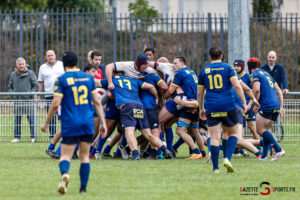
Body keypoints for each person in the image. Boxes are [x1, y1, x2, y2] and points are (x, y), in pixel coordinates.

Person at [41, 51, 107, 195]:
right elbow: (97, 102)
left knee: (65, 156)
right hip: (87, 122)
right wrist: (103, 123)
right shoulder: (89, 78)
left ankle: (65, 174)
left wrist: (46, 123)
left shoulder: (62, 79)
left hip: (70, 122)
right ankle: (83, 189)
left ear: (63, 64)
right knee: (84, 157)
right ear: (77, 62)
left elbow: (55, 104)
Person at [198, 47, 247, 173]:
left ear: (210, 57)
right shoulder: (228, 68)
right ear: (222, 56)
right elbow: (236, 85)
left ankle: (215, 168)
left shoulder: (204, 70)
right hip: (228, 105)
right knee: (233, 134)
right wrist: (244, 102)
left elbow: (200, 93)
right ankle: (227, 159)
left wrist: (201, 108)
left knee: (214, 137)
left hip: (212, 106)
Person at [248, 57, 285, 161]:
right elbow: (278, 90)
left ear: (249, 67)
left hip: (266, 106)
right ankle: (264, 157)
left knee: (259, 130)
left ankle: (278, 150)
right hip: (275, 106)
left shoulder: (254, 74)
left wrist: (255, 103)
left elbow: (256, 90)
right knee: (265, 131)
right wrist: (281, 106)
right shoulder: (267, 74)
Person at [8, 57, 38, 143]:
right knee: (17, 119)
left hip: (28, 101)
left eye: (22, 64)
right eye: (19, 64)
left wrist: (30, 94)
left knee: (31, 119)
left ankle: (33, 137)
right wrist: (13, 95)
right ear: (17, 65)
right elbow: (10, 87)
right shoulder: (13, 75)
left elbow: (36, 86)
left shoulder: (30, 73)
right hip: (17, 101)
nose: (21, 66)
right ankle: (17, 137)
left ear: (25, 64)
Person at [38, 50, 64, 139]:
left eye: (52, 55)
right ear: (46, 57)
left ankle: (64, 134)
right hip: (49, 95)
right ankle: (52, 135)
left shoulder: (62, 64)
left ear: (55, 56)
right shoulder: (42, 67)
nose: (50, 57)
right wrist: (38, 95)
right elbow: (40, 82)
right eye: (48, 55)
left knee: (62, 116)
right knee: (51, 116)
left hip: (61, 94)